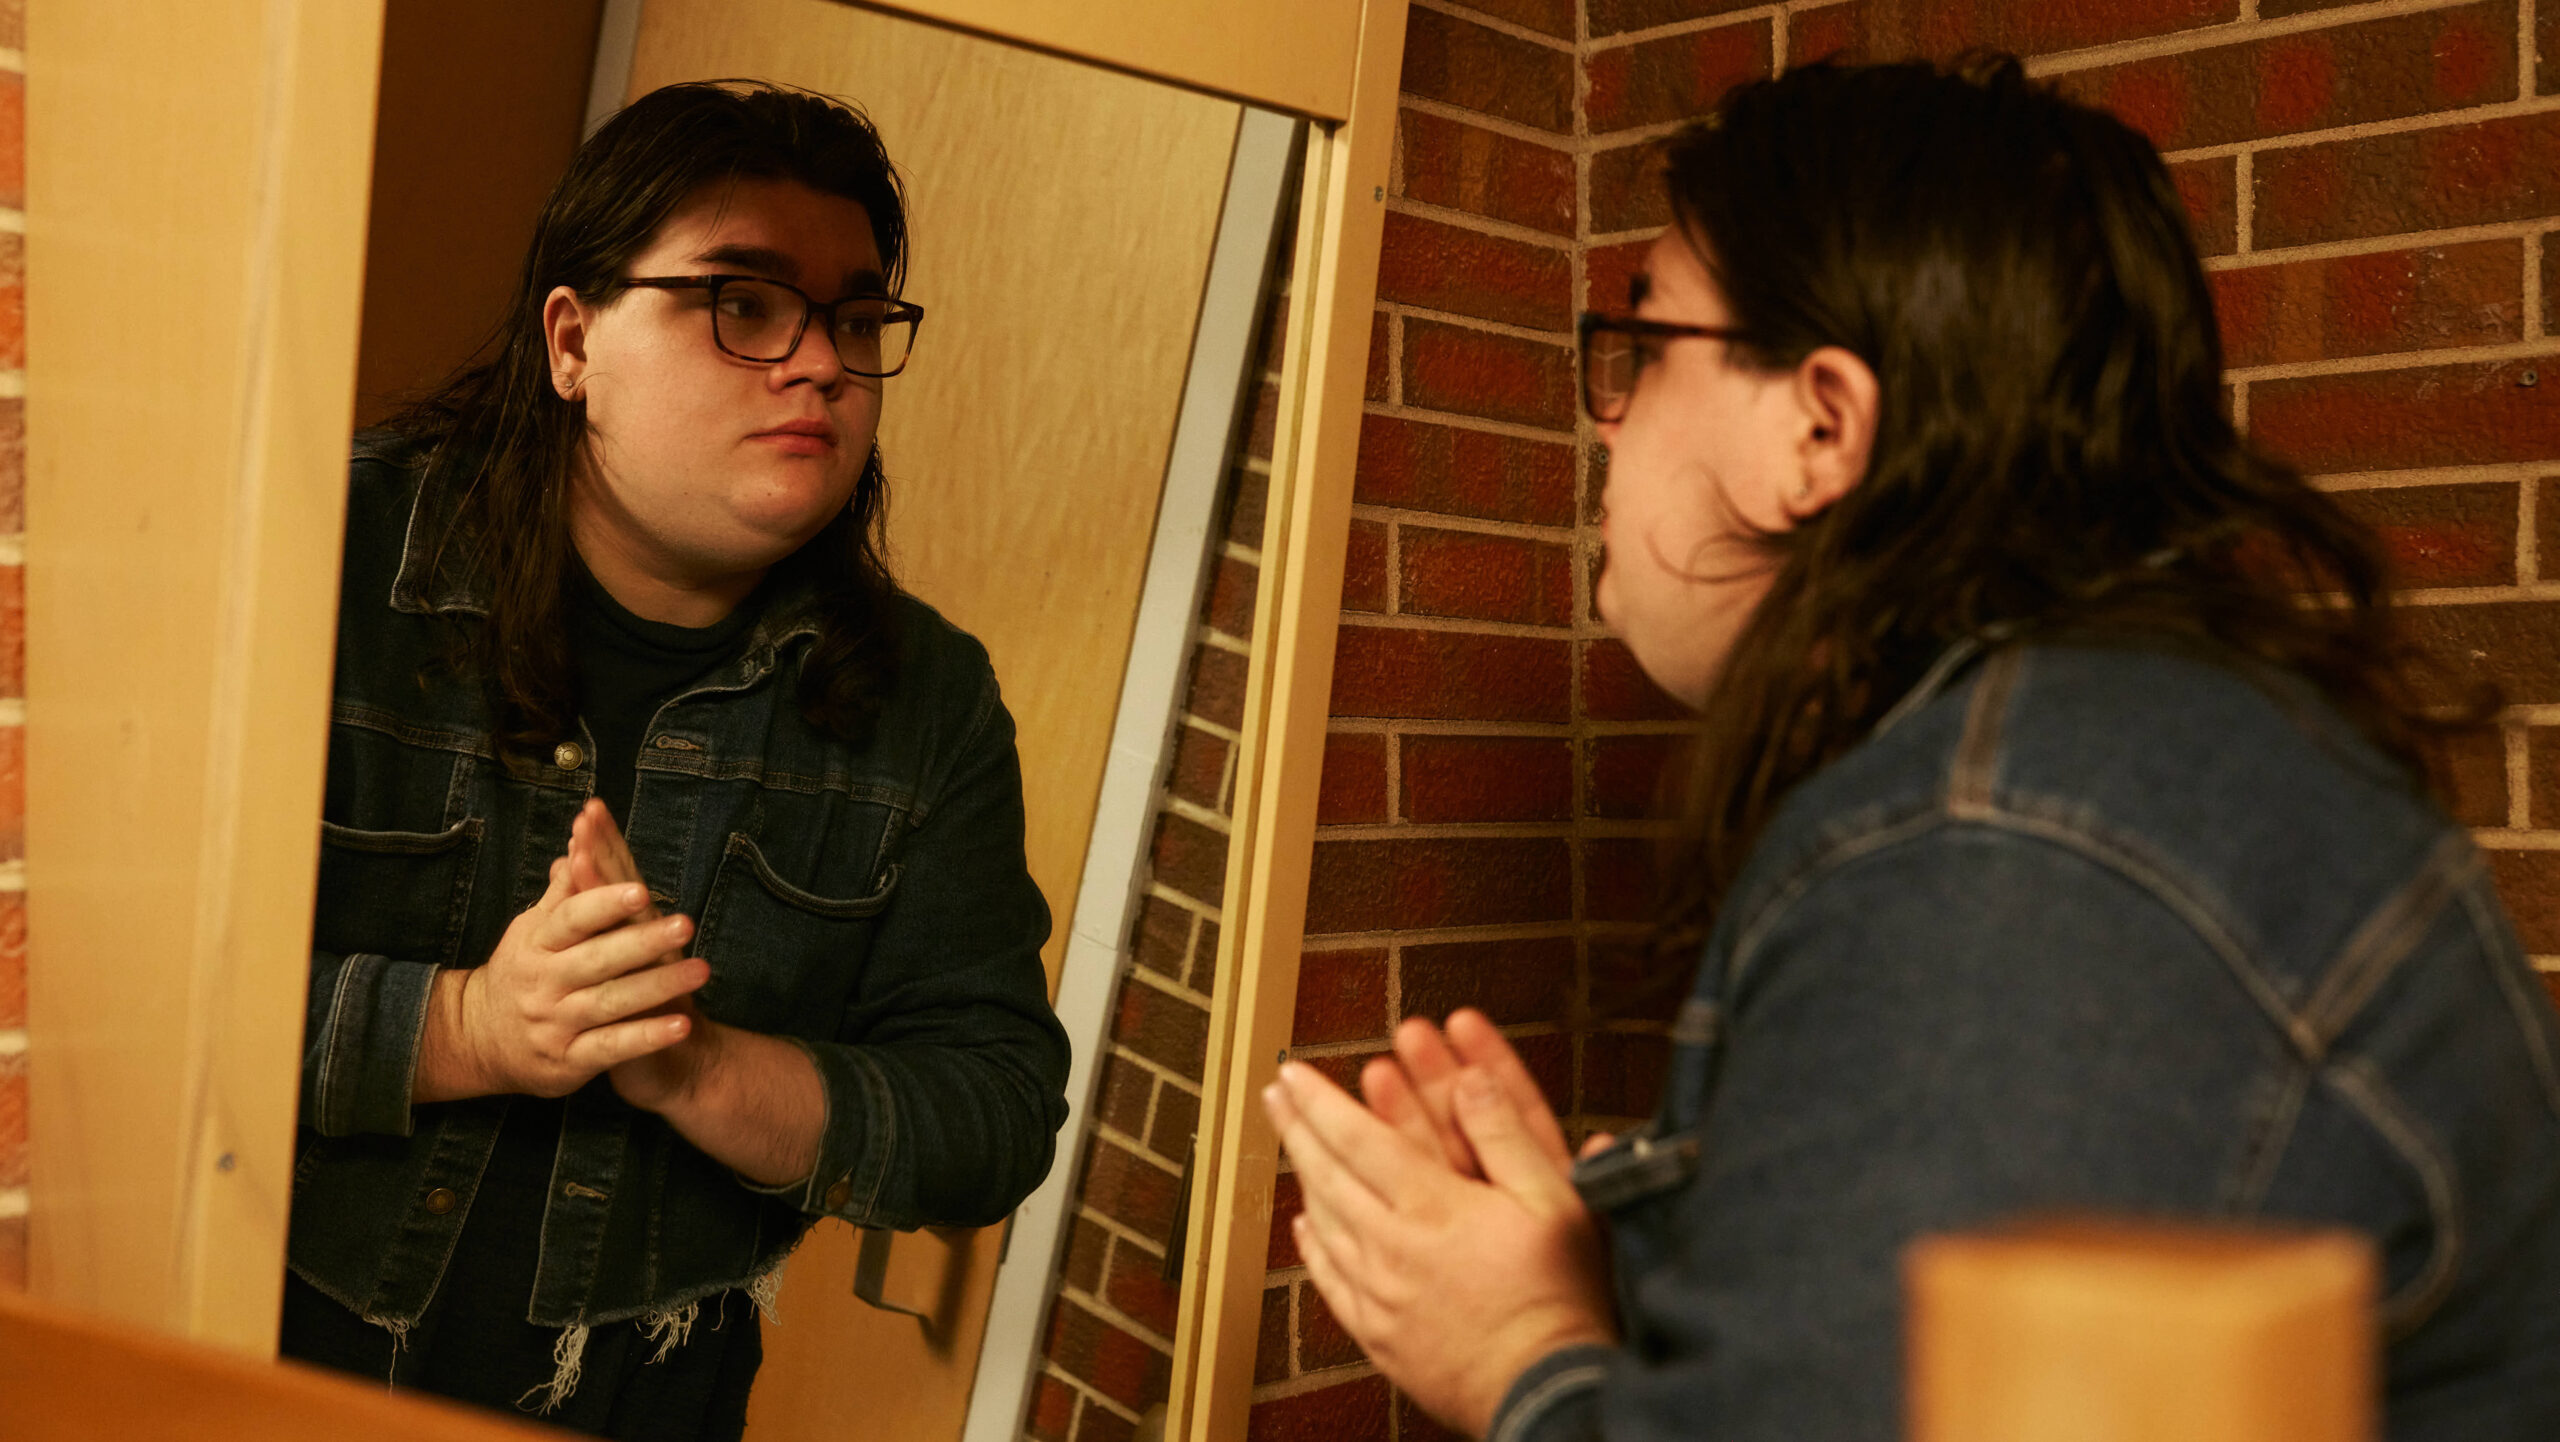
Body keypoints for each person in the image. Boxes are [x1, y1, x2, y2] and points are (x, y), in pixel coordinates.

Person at [1261, 55, 2560, 1441]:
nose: (1607, 413)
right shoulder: (2092, 757)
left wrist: (1525, 1351)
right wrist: (1641, 1257)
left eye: (1645, 348)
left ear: (1820, 425)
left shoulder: (1992, 860)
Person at [282, 81, 1070, 1440]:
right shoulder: (332, 553)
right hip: (261, 1357)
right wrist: (471, 1027)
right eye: (744, 303)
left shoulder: (927, 700)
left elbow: (995, 1109)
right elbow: (104, 994)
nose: (819, 363)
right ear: (574, 340)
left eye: (854, 318)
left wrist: (696, 1067)